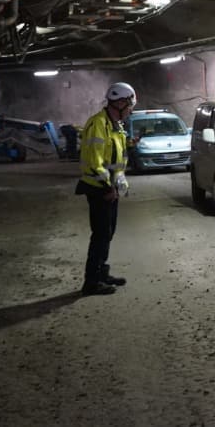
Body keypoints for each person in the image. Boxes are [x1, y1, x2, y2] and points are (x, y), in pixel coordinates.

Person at [76, 82, 136, 296]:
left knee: (108, 232)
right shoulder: (98, 124)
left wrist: (130, 145)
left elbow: (114, 157)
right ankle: (91, 282)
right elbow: (95, 162)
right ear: (119, 103)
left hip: (110, 188)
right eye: (129, 106)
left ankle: (102, 273)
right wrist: (107, 188)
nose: (130, 110)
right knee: (101, 234)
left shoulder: (115, 125)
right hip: (99, 188)